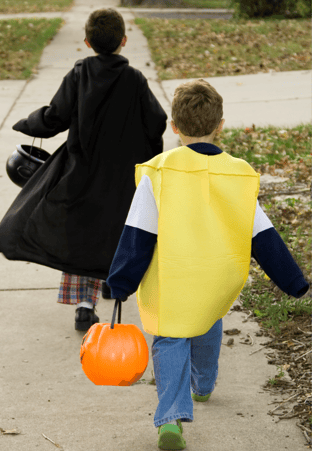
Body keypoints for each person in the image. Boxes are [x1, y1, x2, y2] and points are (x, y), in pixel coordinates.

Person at [105, 79, 309, 450]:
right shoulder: (239, 174)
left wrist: (120, 282)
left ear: (175, 127)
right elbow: (262, 235)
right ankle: (204, 383)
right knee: (207, 320)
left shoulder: (159, 172)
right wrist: (294, 281)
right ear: (220, 125)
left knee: (170, 336)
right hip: (216, 277)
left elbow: (138, 234)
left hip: (173, 275)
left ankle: (170, 420)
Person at [0, 8, 167, 331]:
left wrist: (28, 123)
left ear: (86, 42)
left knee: (82, 236)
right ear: (124, 41)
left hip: (81, 174)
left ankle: (84, 304)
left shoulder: (80, 74)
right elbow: (157, 121)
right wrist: (150, 156)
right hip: (122, 176)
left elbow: (55, 116)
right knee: (116, 229)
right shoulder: (135, 80)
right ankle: (112, 282)